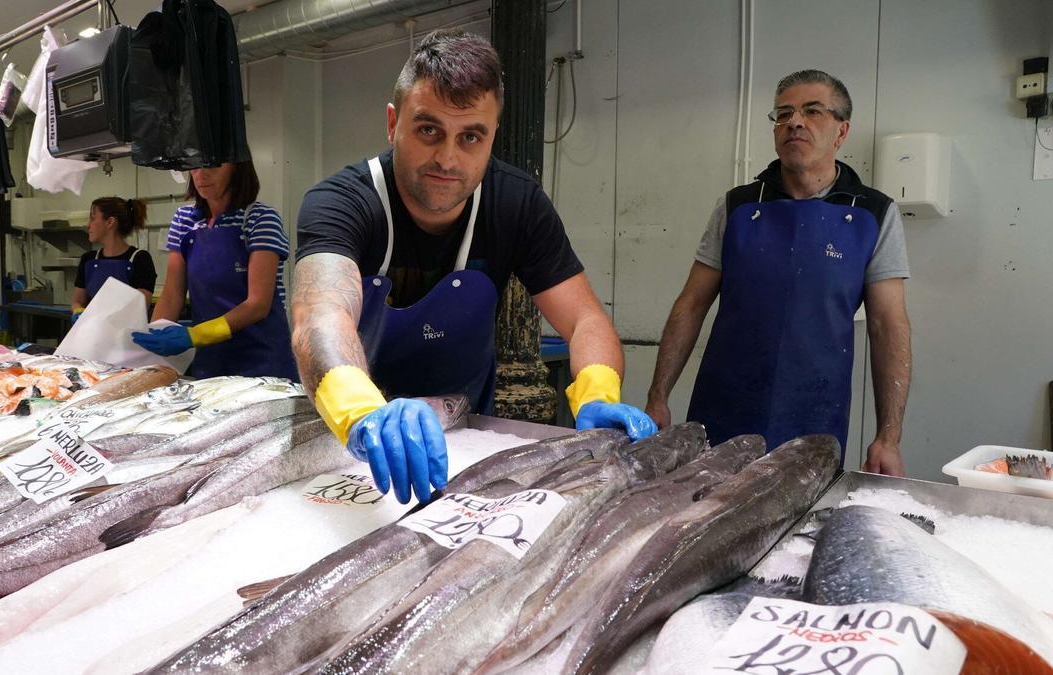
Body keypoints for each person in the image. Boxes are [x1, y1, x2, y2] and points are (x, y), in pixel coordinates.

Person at [291, 29, 656, 504]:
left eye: (470, 137)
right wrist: (360, 413)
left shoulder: (516, 204)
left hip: (461, 443)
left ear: (491, 138)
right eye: (428, 130)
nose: (447, 157)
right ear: (392, 123)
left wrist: (597, 392)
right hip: (343, 440)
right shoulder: (341, 202)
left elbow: (584, 317)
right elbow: (319, 314)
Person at [644, 69, 912, 475]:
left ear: (841, 132)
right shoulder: (737, 207)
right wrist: (658, 396)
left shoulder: (873, 214)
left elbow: (888, 324)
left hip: (815, 417)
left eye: (812, 111)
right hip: (722, 412)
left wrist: (888, 437)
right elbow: (692, 303)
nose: (795, 122)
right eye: (783, 114)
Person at [132, 160, 297, 381]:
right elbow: (172, 294)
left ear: (237, 168)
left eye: (214, 165)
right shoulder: (184, 221)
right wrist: (151, 344)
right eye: (195, 166)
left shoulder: (260, 219)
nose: (201, 175)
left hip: (263, 361)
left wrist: (195, 335)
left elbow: (257, 305)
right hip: (211, 362)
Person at [70, 197, 156, 321]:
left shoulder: (139, 259)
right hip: (92, 333)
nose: (88, 224)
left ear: (110, 222)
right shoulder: (88, 259)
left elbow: (140, 306)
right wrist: (78, 310)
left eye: (93, 218)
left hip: (126, 335)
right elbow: (77, 301)